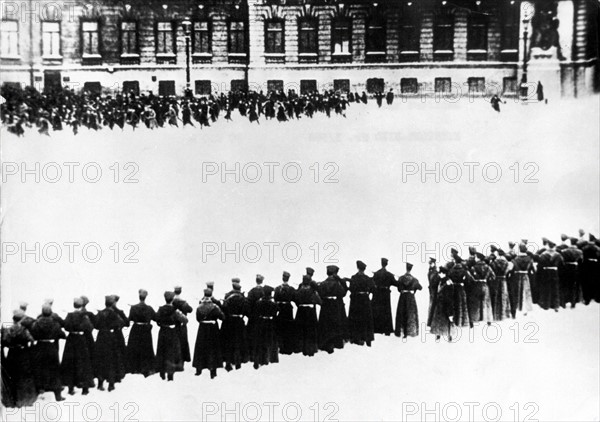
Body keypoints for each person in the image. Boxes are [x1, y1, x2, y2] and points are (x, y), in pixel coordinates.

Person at [1, 310, 37, 408]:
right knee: (23, 377)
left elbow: (4, 341)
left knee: (12, 375)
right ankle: (24, 399)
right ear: (21, 319)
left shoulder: (9, 330)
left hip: (12, 354)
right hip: (22, 354)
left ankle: (13, 400)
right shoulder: (24, 330)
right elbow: (31, 340)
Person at [30, 304, 66, 401]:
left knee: (40, 368)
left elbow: (32, 334)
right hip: (51, 347)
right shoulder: (55, 323)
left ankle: (40, 389)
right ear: (50, 313)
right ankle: (57, 394)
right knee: (54, 370)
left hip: (40, 347)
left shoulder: (36, 323)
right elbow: (62, 335)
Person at [61, 298, 95, 396]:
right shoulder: (84, 316)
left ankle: (71, 387)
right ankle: (85, 388)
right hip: (81, 339)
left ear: (74, 305)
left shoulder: (69, 315)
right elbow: (89, 327)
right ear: (81, 306)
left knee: (70, 363)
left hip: (71, 339)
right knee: (83, 362)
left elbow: (65, 326)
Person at [94, 295, 126, 392]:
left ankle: (100, 383)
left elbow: (95, 325)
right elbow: (121, 323)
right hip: (110, 337)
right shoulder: (114, 314)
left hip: (100, 337)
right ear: (112, 304)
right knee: (111, 360)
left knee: (101, 359)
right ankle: (111, 384)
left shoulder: (100, 313)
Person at [155, 291, 188, 381]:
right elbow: (185, 320)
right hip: (172, 333)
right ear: (172, 299)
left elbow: (156, 319)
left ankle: (162, 372)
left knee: (162, 351)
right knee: (171, 353)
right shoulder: (175, 310)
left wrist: (161, 323)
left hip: (162, 332)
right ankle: (170, 375)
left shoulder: (160, 309)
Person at [193, 289, 224, 379]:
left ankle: (199, 369)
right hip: (213, 329)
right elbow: (222, 317)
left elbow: (198, 319)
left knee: (201, 348)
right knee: (212, 348)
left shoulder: (199, 307)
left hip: (202, 329)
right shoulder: (215, 307)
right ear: (211, 295)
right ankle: (213, 371)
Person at [126, 289, 156, 377]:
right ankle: (145, 368)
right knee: (146, 348)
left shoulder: (133, 307)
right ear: (145, 297)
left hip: (136, 329)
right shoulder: (149, 308)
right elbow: (155, 317)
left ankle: (135, 368)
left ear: (139, 297)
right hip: (146, 330)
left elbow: (130, 318)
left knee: (135, 347)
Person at [221, 279, 249, 371]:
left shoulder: (227, 296)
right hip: (238, 322)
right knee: (238, 341)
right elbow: (246, 310)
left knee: (228, 341)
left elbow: (224, 308)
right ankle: (238, 362)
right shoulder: (242, 297)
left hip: (228, 322)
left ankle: (228, 362)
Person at [317, 265, 346, 354]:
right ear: (334, 273)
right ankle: (337, 343)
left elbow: (319, 294)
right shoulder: (337, 283)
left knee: (325, 324)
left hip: (325, 305)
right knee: (335, 324)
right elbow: (343, 293)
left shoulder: (322, 283)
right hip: (334, 305)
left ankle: (326, 344)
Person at [348, 260, 375, 346]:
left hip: (356, 300)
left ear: (358, 268)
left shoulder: (354, 277)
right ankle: (368, 338)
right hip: (365, 300)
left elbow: (351, 289)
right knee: (366, 318)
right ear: (364, 269)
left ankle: (357, 338)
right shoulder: (368, 278)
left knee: (356, 318)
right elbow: (373, 289)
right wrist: (368, 293)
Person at [252, 286, 279, 369]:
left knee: (260, 341)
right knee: (270, 341)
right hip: (270, 323)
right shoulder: (273, 303)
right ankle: (269, 358)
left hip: (261, 323)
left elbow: (255, 313)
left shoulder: (258, 302)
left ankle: (259, 359)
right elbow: (276, 313)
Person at [294, 275, 321, 357]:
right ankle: (310, 349)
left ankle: (301, 348)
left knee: (301, 330)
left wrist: (300, 305)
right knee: (311, 331)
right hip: (310, 312)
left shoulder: (299, 291)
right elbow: (319, 301)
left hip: (301, 311)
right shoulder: (313, 291)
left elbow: (296, 300)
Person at [395, 263, 423, 338]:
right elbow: (420, 288)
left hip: (402, 297)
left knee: (401, 313)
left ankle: (401, 332)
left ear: (406, 268)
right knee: (410, 314)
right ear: (411, 269)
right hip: (410, 298)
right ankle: (409, 332)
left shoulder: (401, 278)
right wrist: (413, 290)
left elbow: (398, 289)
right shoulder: (415, 279)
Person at [372, 258, 397, 336]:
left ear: (381, 263)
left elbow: (372, 282)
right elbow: (396, 283)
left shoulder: (376, 274)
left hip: (377, 293)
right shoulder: (389, 274)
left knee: (377, 310)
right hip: (386, 294)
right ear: (386, 264)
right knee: (386, 311)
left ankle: (377, 329)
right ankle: (386, 330)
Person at [429, 267, 455, 342]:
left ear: (444, 273)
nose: (439, 274)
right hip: (439, 304)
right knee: (438, 320)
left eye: (440, 273)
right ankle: (438, 335)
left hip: (446, 304)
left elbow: (450, 296)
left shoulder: (448, 282)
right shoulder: (440, 281)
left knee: (448, 320)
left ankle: (449, 336)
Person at [274, 271, 297, 355]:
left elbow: (275, 299)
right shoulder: (291, 289)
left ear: (282, 278)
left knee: (280, 327)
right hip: (288, 310)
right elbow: (295, 298)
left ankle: (281, 347)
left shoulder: (277, 288)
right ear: (288, 279)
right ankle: (287, 348)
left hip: (280, 309)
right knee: (288, 328)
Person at [468, 253, 494, 325]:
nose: (475, 258)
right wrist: (487, 280)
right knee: (487, 303)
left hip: (476, 285)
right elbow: (493, 276)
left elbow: (469, 278)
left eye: (476, 257)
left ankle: (473, 320)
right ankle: (488, 320)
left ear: (478, 258)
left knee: (475, 303)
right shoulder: (488, 267)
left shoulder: (473, 268)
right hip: (485, 285)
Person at [537, 240, 564, 311]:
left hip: (546, 273)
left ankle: (546, 305)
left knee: (546, 288)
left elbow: (540, 266)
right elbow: (562, 266)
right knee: (555, 288)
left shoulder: (543, 255)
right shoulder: (558, 255)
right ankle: (556, 305)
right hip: (555, 272)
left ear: (548, 246)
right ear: (554, 246)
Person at [509, 243, 535, 317]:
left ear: (519, 249)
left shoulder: (514, 259)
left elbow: (510, 269)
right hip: (526, 276)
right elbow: (533, 269)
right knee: (526, 292)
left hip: (517, 277)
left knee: (517, 292)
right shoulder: (530, 259)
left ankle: (517, 308)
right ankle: (525, 310)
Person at [447, 256, 472, 328]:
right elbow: (468, 281)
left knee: (454, 304)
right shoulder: (464, 270)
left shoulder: (451, 270)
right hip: (461, 289)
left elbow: (448, 278)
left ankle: (454, 321)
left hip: (453, 288)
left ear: (454, 261)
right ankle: (461, 322)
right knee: (462, 304)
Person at [559, 237, 583, 308]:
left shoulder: (564, 251)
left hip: (566, 269)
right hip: (575, 269)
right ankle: (573, 303)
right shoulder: (579, 251)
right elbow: (581, 261)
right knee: (574, 286)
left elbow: (562, 261)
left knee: (565, 286)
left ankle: (563, 303)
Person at [489, 249, 513, 321]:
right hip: (503, 280)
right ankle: (504, 314)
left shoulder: (493, 263)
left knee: (495, 297)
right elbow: (509, 270)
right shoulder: (507, 263)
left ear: (498, 254)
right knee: (504, 296)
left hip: (496, 281)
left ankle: (495, 314)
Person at [172, 286, 193, 365]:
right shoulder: (183, 302)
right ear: (180, 291)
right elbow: (190, 310)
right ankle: (183, 359)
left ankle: (175, 360)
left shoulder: (172, 301)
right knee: (183, 341)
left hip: (174, 325)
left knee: (175, 342)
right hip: (182, 324)